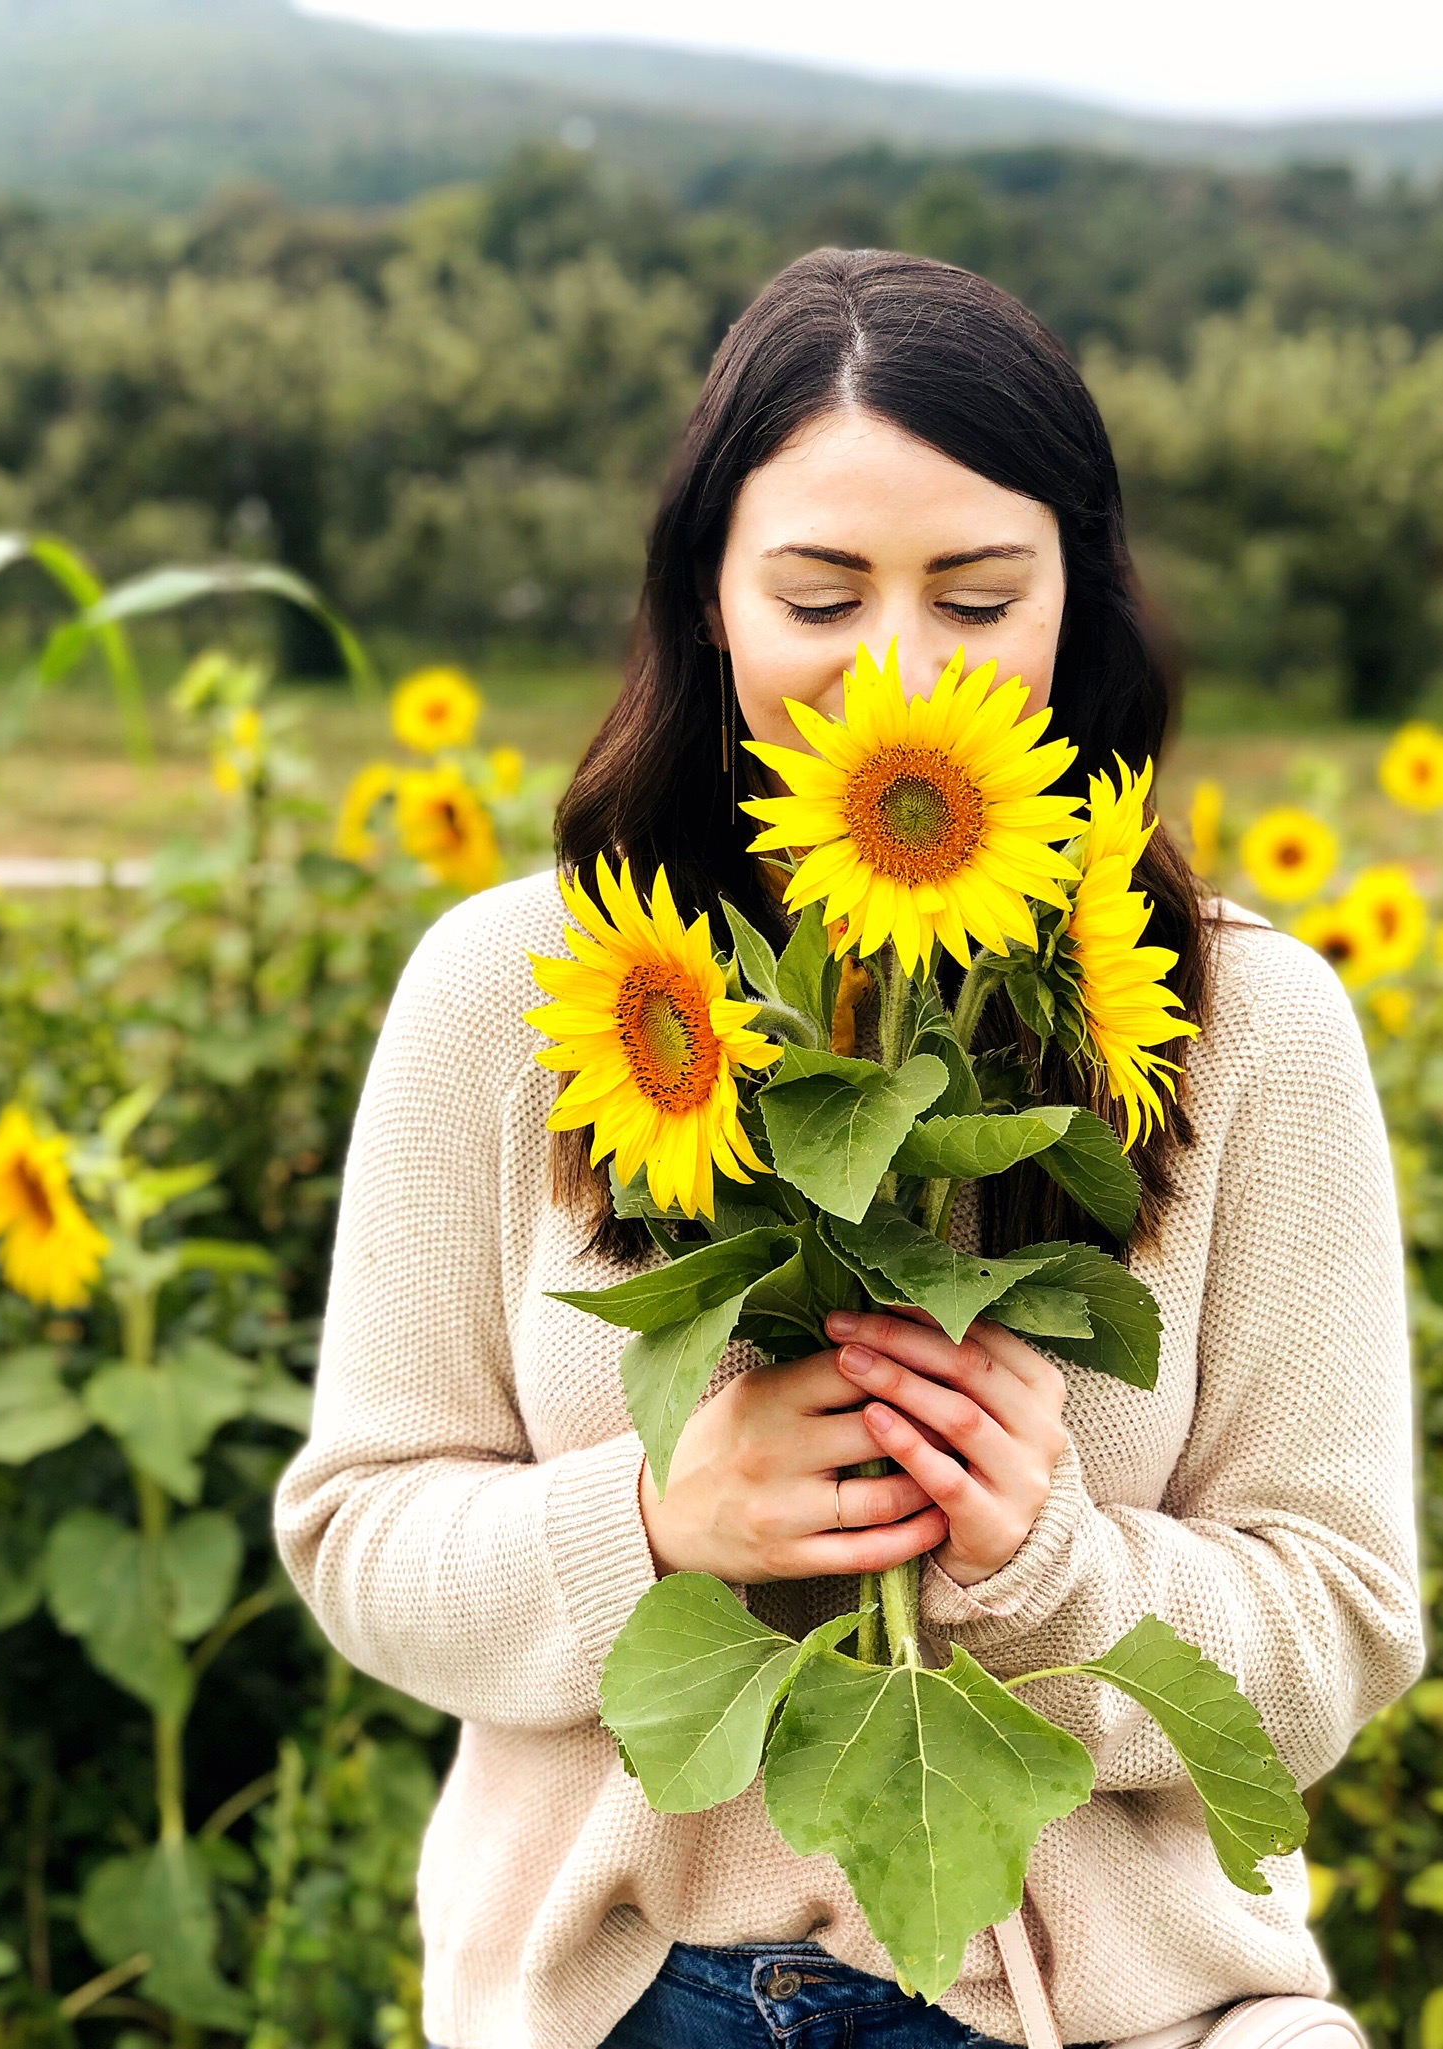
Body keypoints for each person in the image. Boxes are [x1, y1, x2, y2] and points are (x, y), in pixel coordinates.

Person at [275, 249, 1422, 2049]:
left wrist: (1047, 1561)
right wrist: (654, 1527)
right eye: (818, 594)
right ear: (710, 601)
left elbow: (1338, 1621)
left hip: (1104, 2010)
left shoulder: (1241, 1023)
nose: (896, 670)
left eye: (977, 596)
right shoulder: (518, 989)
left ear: (1079, 606)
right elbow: (358, 1531)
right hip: (620, 1994)